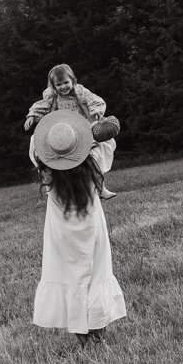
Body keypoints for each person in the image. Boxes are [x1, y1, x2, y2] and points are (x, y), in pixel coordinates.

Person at [30, 110, 126, 346]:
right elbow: (109, 141)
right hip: (92, 230)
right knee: (97, 274)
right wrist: (90, 133)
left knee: (70, 277)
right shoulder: (93, 163)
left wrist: (51, 132)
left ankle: (82, 337)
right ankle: (98, 334)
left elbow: (35, 144)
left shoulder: (47, 172)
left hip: (61, 234)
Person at [24, 63, 117, 199]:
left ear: (73, 80)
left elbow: (94, 100)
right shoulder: (51, 96)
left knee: (92, 158)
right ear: (53, 86)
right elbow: (42, 105)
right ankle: (52, 190)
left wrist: (96, 112)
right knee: (46, 156)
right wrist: (32, 116)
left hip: (80, 130)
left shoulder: (80, 91)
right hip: (61, 133)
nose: (63, 87)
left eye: (66, 82)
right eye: (59, 84)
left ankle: (100, 188)